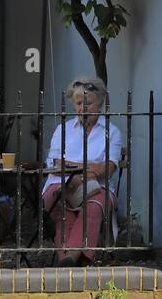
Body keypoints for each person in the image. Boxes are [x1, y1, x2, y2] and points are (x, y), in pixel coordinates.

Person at [40, 76, 123, 266]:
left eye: (88, 103)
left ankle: (67, 260)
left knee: (93, 207)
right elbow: (56, 163)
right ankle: (76, 260)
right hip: (60, 183)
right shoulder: (64, 129)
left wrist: (74, 168)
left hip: (98, 187)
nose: (82, 108)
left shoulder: (112, 131)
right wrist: (85, 171)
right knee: (61, 209)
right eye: (78, 103)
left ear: (100, 103)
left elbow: (108, 169)